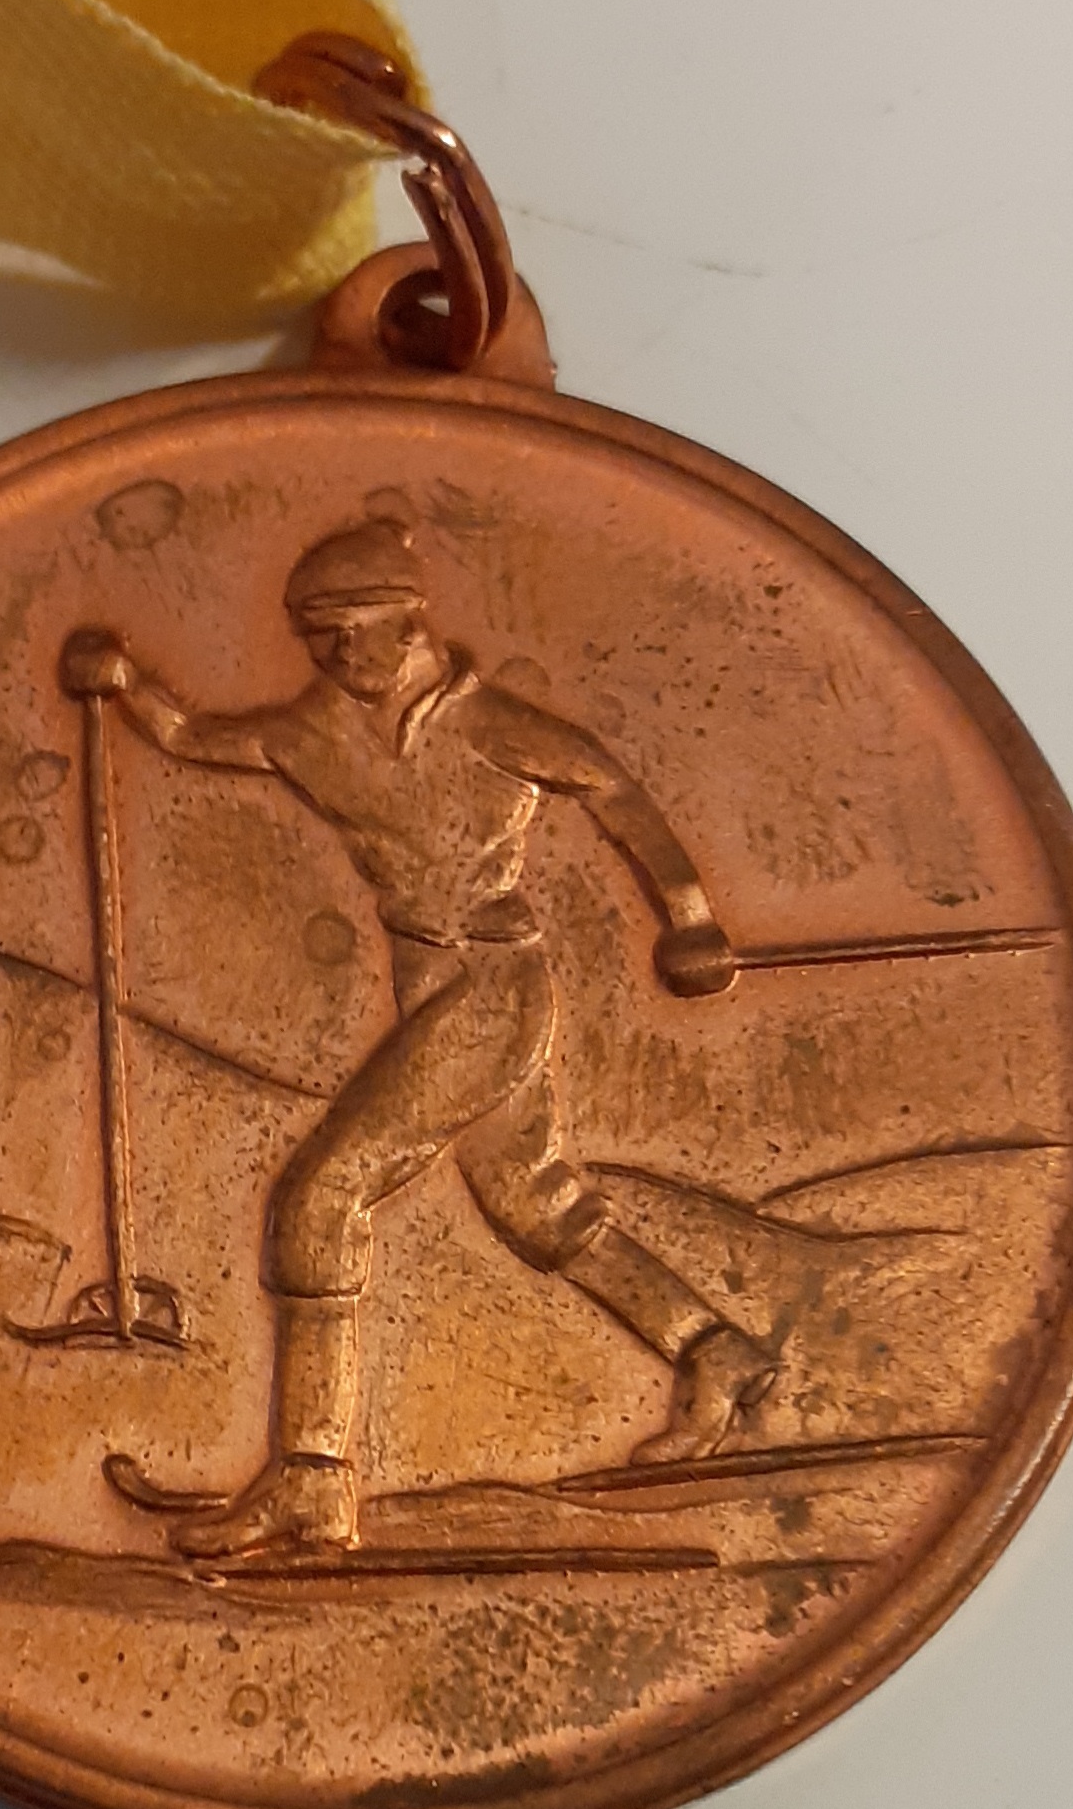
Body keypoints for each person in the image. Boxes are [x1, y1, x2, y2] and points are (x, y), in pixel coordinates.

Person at [62, 516, 776, 1557]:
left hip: (493, 980)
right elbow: (192, 736)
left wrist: (692, 917)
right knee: (534, 1202)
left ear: (409, 621)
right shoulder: (313, 732)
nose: (335, 653)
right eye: (316, 635)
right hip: (427, 982)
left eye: (353, 629)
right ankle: (713, 1349)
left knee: (321, 1197)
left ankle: (312, 1478)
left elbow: (610, 785)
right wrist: (125, 684)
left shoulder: (488, 724)